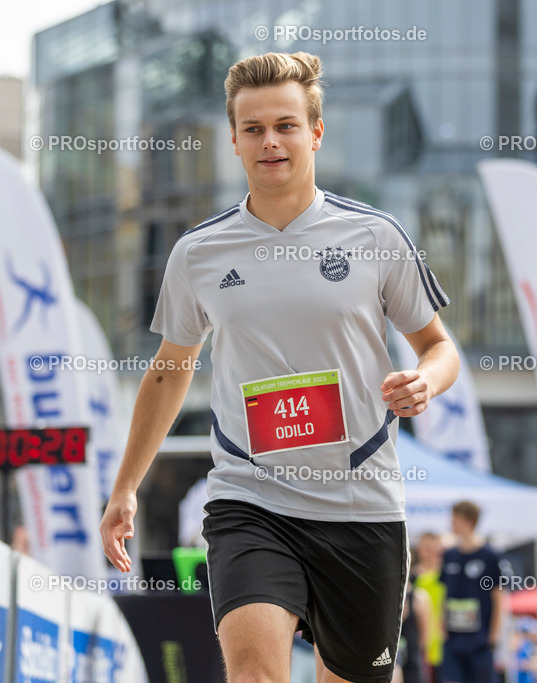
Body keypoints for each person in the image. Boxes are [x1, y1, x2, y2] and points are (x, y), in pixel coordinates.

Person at [98, 51, 459, 683]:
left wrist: (426, 380)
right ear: (234, 141)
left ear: (315, 132)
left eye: (286, 125)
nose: (270, 141)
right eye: (254, 129)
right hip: (251, 498)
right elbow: (169, 369)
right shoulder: (198, 254)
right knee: (255, 672)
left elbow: (440, 345)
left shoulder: (376, 237)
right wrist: (126, 486)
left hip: (361, 506)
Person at [440, 501, 508, 683]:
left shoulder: (490, 556)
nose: (451, 524)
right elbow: (444, 592)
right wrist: (442, 625)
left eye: (455, 519)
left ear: (468, 521)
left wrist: (493, 635)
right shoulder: (449, 556)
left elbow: (499, 597)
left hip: (480, 640)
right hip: (454, 639)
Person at [413, 532, 447, 682]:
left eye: (432, 548)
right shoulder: (412, 577)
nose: (427, 552)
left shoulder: (446, 575)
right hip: (419, 640)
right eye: (424, 548)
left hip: (443, 640)